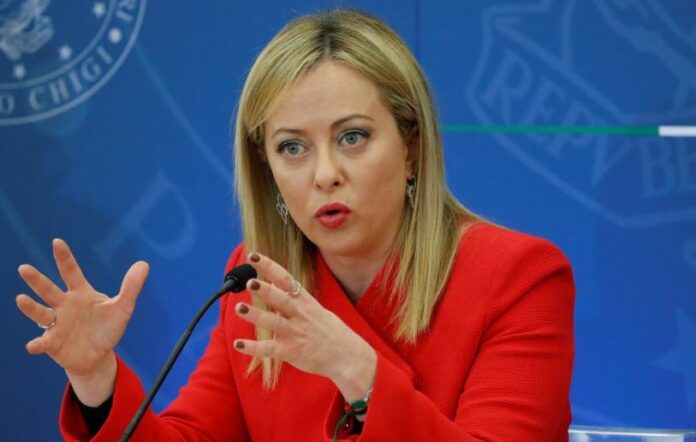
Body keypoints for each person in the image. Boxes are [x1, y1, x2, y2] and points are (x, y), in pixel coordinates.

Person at [15, 9, 575, 442]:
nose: (325, 174)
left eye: (352, 137)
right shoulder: (256, 278)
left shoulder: (518, 277)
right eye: (292, 148)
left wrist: (357, 371)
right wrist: (97, 379)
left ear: (411, 148)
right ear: (267, 169)